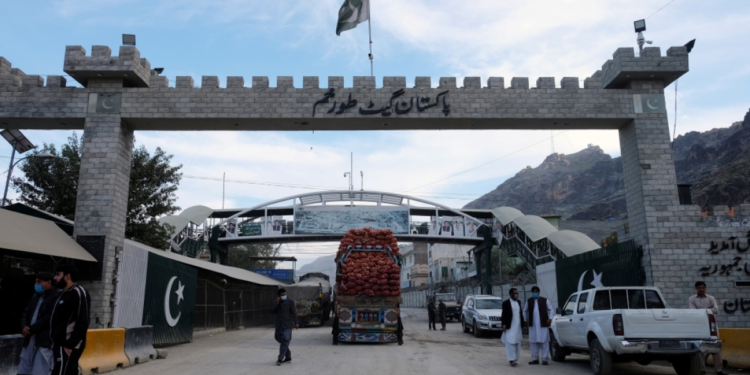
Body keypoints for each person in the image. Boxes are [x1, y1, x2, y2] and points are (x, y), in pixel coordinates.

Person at [49, 264, 90, 375]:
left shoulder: (78, 292)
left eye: (58, 275)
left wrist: (70, 344)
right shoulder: (62, 294)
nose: (55, 278)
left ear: (67, 277)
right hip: (59, 344)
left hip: (68, 345)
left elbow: (83, 321)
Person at [18, 272, 61, 375]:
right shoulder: (35, 296)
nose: (36, 284)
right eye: (35, 282)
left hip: (43, 341)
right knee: (23, 369)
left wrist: (32, 329)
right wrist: (23, 327)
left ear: (48, 282)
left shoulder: (56, 297)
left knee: (40, 370)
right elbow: (26, 312)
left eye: (39, 282)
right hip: (30, 339)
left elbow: (49, 318)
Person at [689, 281, 726, 375]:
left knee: (715, 348)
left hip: (712, 326)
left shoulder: (711, 298)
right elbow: (693, 312)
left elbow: (716, 310)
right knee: (700, 348)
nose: (701, 289)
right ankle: (702, 370)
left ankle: (719, 370)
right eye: (699, 288)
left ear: (705, 288)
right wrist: (709, 310)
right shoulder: (692, 299)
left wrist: (701, 311)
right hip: (699, 327)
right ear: (696, 288)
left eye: (703, 287)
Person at [524, 286, 554, 365]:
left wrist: (550, 318)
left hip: (543, 324)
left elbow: (551, 309)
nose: (535, 293)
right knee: (533, 342)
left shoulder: (544, 300)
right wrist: (524, 320)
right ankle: (535, 359)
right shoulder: (529, 301)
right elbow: (524, 311)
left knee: (544, 341)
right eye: (533, 292)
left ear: (539, 292)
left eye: (536, 292)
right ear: (532, 293)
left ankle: (545, 359)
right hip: (533, 326)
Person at [271, 288, 298, 366]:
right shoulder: (275, 302)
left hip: (287, 325)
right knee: (279, 339)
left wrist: (296, 323)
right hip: (279, 325)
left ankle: (280, 359)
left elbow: (294, 313)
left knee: (285, 340)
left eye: (285, 294)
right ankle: (288, 356)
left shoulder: (290, 302)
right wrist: (277, 303)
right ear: (279, 296)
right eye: (282, 295)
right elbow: (272, 311)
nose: (284, 296)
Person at [501, 288, 525, 367]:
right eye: (515, 293)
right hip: (509, 326)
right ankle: (511, 360)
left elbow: (520, 314)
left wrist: (523, 323)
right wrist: (504, 325)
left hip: (518, 326)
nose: (517, 294)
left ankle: (515, 358)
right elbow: (503, 314)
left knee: (517, 342)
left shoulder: (518, 302)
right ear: (511, 294)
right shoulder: (506, 303)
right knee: (510, 342)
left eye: (517, 293)